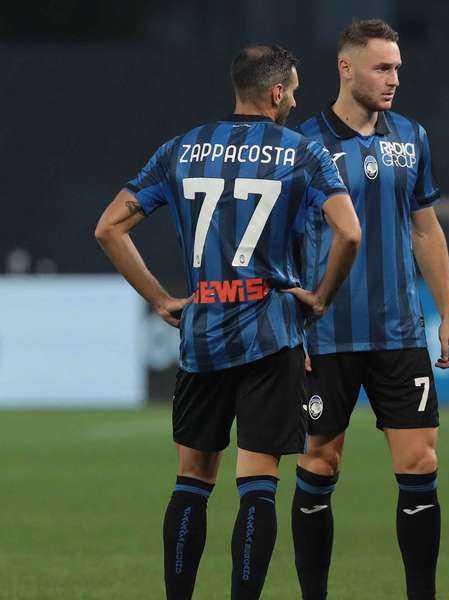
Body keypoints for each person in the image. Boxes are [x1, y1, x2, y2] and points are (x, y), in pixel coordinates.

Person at [94, 45, 361, 600]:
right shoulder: (303, 152)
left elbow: (109, 229)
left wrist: (161, 299)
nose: (296, 96)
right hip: (270, 334)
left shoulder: (180, 150)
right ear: (276, 93)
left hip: (201, 338)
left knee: (192, 481)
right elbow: (350, 232)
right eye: (294, 87)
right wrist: (319, 298)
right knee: (258, 485)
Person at [292, 19, 449, 600]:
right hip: (327, 335)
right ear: (346, 68)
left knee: (419, 464)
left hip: (399, 333)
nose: (393, 78)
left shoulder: (411, 137)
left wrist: (448, 315)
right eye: (381, 68)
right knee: (319, 465)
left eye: (397, 68)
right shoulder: (304, 144)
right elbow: (283, 239)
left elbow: (425, 230)